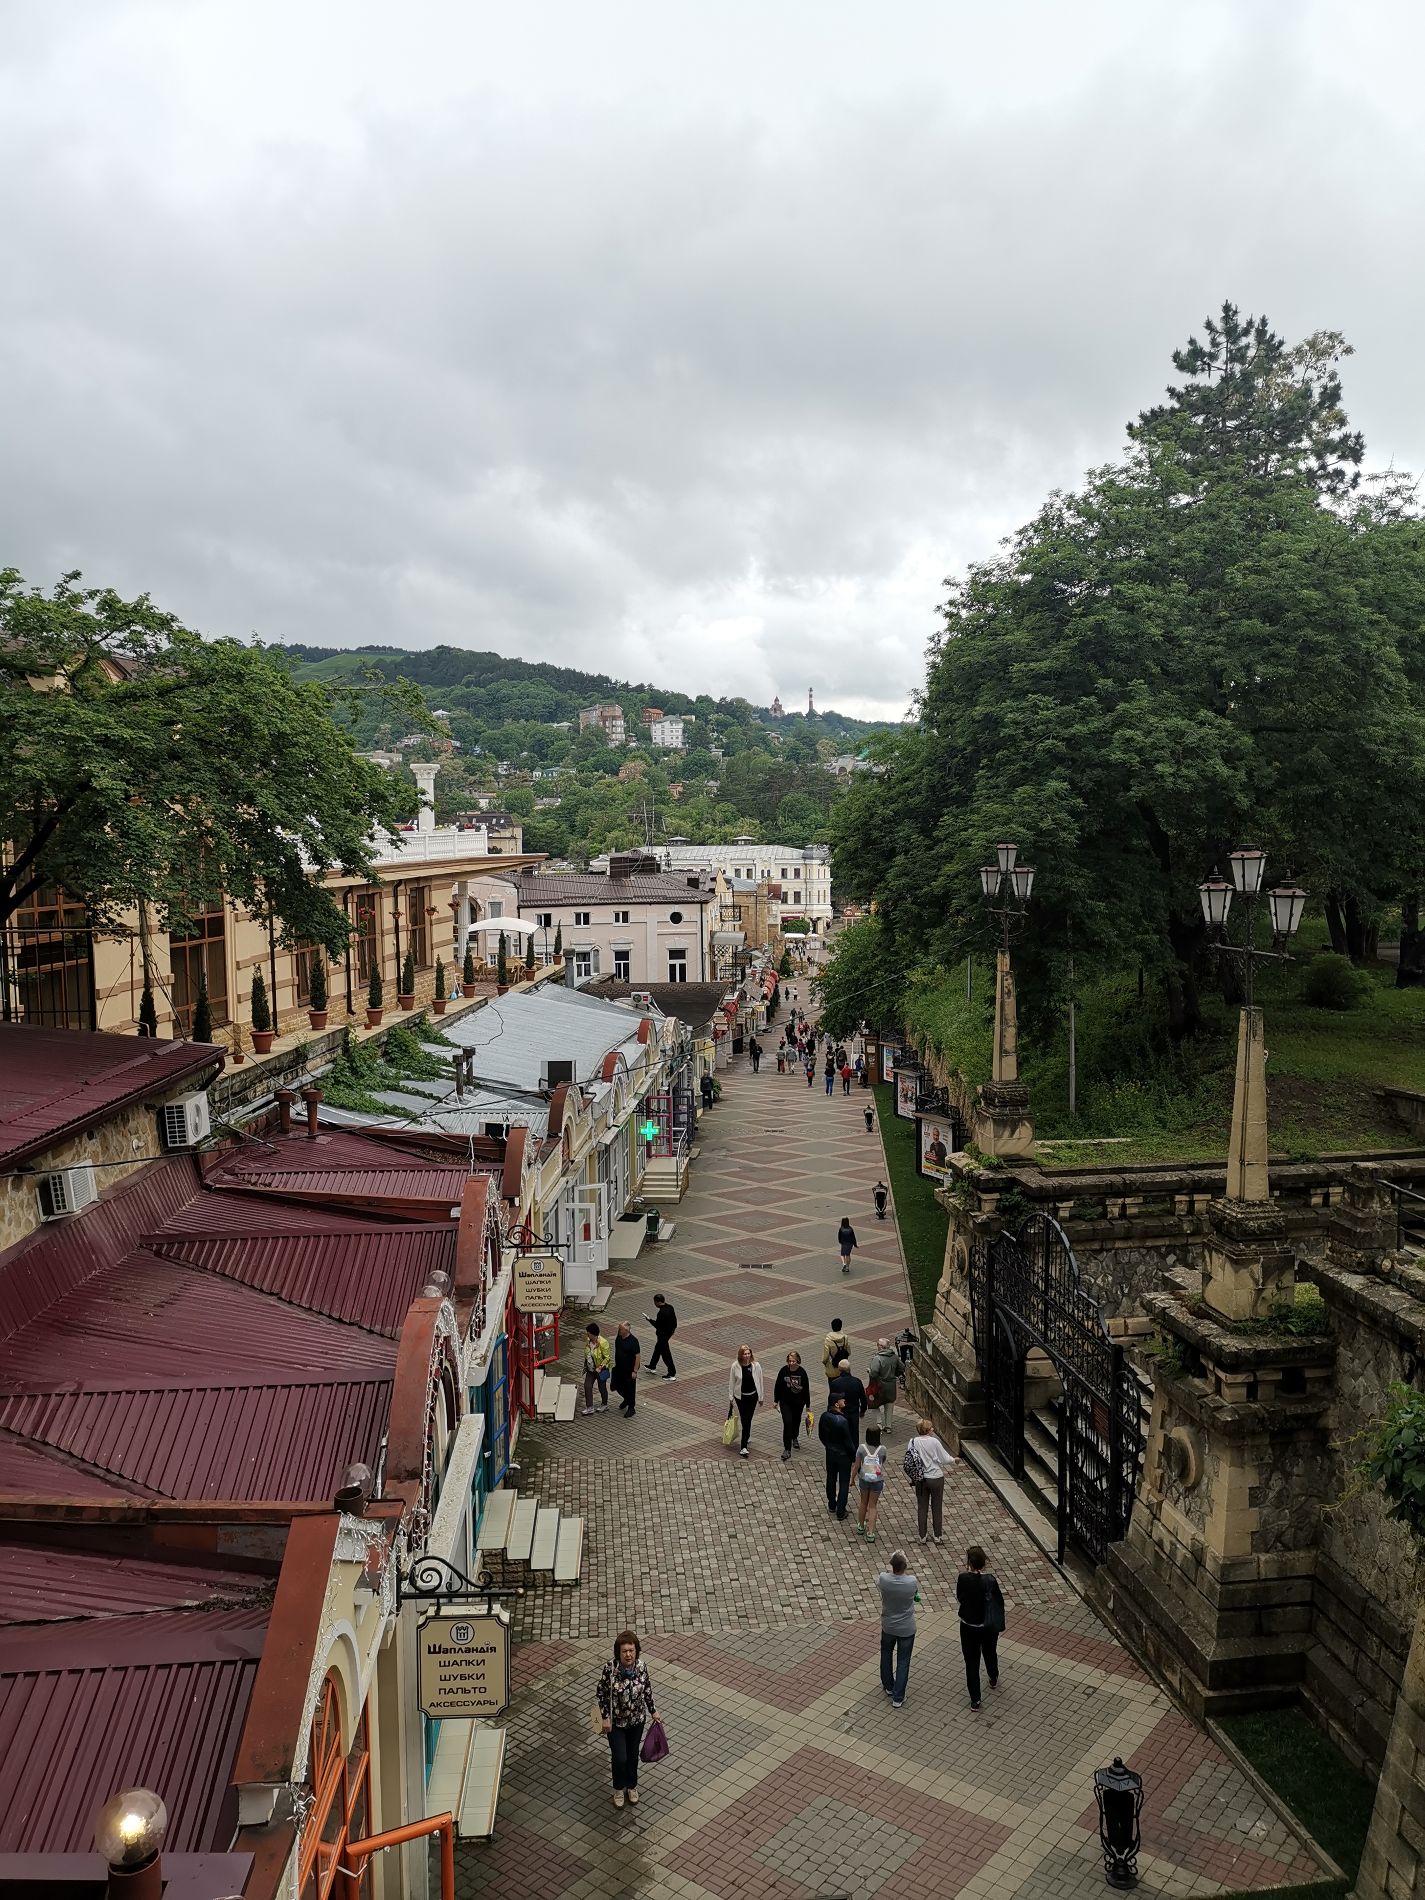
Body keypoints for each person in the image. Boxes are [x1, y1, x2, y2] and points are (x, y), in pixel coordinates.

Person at [596, 1630, 659, 1808]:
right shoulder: (610, 1669)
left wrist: (653, 1711)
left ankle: (631, 1786)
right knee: (620, 1757)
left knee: (632, 1755)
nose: (628, 1654)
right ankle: (618, 1788)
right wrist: (605, 1717)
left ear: (636, 1651)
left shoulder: (642, 1667)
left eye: (631, 1650)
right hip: (616, 1723)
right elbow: (601, 1693)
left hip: (636, 1721)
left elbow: (647, 1689)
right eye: (624, 1651)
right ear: (619, 1653)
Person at [957, 1545, 1004, 1710]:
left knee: (971, 1661)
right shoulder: (990, 1580)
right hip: (988, 1625)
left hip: (968, 1626)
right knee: (990, 1652)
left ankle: (975, 1699)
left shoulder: (963, 1578)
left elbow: (960, 1598)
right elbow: (998, 1601)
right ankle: (993, 1676)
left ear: (969, 1563)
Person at [877, 1551, 919, 1707]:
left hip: (888, 1625)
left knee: (886, 1654)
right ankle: (898, 1697)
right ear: (905, 1566)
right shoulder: (911, 1581)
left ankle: (889, 1686)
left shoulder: (884, 1579)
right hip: (906, 1627)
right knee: (903, 1661)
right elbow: (915, 1594)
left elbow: (880, 1581)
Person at [908, 1415, 957, 1543]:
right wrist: (954, 1460)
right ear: (927, 1430)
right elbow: (944, 1458)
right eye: (931, 1428)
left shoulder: (913, 1442)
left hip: (921, 1478)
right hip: (936, 1477)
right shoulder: (934, 1442)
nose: (933, 1429)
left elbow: (911, 1458)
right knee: (937, 1507)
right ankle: (937, 1536)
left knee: (922, 1507)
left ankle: (922, 1536)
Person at [818, 1393, 855, 1518]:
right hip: (843, 1455)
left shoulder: (824, 1417)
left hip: (830, 1453)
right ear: (836, 1404)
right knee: (844, 1482)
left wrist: (828, 1445)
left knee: (831, 1478)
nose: (844, 1400)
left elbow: (821, 1435)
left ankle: (832, 1504)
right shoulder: (842, 1421)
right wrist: (853, 1456)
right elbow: (848, 1442)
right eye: (841, 1399)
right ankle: (841, 1510)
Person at [773, 1350, 812, 1460]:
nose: (791, 1363)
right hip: (785, 1402)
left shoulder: (802, 1372)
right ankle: (787, 1449)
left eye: (793, 1361)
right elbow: (778, 1386)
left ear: (797, 1361)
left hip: (798, 1403)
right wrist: (776, 1400)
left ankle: (794, 1437)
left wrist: (808, 1405)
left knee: (796, 1421)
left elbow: (806, 1389)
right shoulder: (783, 1371)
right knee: (787, 1423)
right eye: (789, 1361)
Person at [727, 1343, 764, 1456]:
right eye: (745, 1354)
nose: (747, 1356)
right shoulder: (735, 1366)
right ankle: (744, 1443)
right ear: (741, 1355)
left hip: (752, 1396)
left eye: (749, 1353)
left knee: (748, 1419)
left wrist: (761, 1397)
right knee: (745, 1419)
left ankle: (744, 1441)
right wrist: (731, 1397)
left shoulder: (756, 1366)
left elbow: (760, 1381)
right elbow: (732, 1382)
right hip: (740, 1397)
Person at [864, 1336, 901, 1438]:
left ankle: (879, 1423)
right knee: (889, 1405)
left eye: (877, 1344)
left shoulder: (877, 1358)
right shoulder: (894, 1357)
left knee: (875, 1403)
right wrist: (894, 1374)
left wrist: (869, 1371)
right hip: (891, 1385)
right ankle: (888, 1426)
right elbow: (901, 1368)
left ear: (880, 1347)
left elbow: (874, 1373)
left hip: (879, 1386)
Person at [855, 1425, 886, 1541]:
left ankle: (860, 1526)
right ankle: (870, 1532)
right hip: (877, 1480)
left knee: (863, 1502)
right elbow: (883, 1461)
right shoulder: (882, 1449)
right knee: (872, 1506)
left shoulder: (861, 1448)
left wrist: (852, 1478)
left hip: (864, 1479)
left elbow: (857, 1465)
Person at [829, 1357, 867, 1446]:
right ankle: (854, 1452)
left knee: (841, 1435)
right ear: (849, 1369)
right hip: (854, 1413)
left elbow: (831, 1401)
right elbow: (863, 1398)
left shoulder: (835, 1383)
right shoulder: (857, 1382)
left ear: (839, 1370)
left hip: (840, 1414)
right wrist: (862, 1410)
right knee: (854, 1435)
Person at [644, 1293, 678, 1381]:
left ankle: (672, 1373)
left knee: (666, 1354)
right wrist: (672, 1331)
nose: (654, 1304)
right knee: (657, 1349)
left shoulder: (661, 1313)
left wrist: (649, 1320)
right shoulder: (670, 1307)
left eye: (654, 1302)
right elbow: (675, 1322)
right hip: (668, 1333)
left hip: (662, 1336)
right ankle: (652, 1366)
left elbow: (658, 1325)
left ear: (657, 1302)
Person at [612, 1320, 641, 1418]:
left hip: (629, 1370)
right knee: (617, 1386)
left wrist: (635, 1371)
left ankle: (631, 1408)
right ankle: (626, 1399)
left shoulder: (633, 1341)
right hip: (619, 1368)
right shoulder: (619, 1337)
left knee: (630, 1389)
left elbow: (637, 1356)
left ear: (627, 1330)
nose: (619, 1330)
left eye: (620, 1329)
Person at [582, 1321, 612, 1415]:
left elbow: (607, 1358)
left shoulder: (603, 1342)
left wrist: (600, 1367)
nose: (587, 1334)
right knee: (587, 1385)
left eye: (588, 1333)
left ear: (592, 1334)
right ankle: (590, 1407)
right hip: (591, 1369)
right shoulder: (588, 1341)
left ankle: (604, 1404)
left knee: (602, 1387)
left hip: (601, 1370)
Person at [822, 1318, 851, 1384]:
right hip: (843, 1368)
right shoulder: (845, 1337)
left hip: (832, 1370)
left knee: (833, 1387)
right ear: (841, 1326)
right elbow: (849, 1352)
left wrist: (825, 1364)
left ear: (832, 1327)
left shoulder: (828, 1340)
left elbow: (825, 1358)